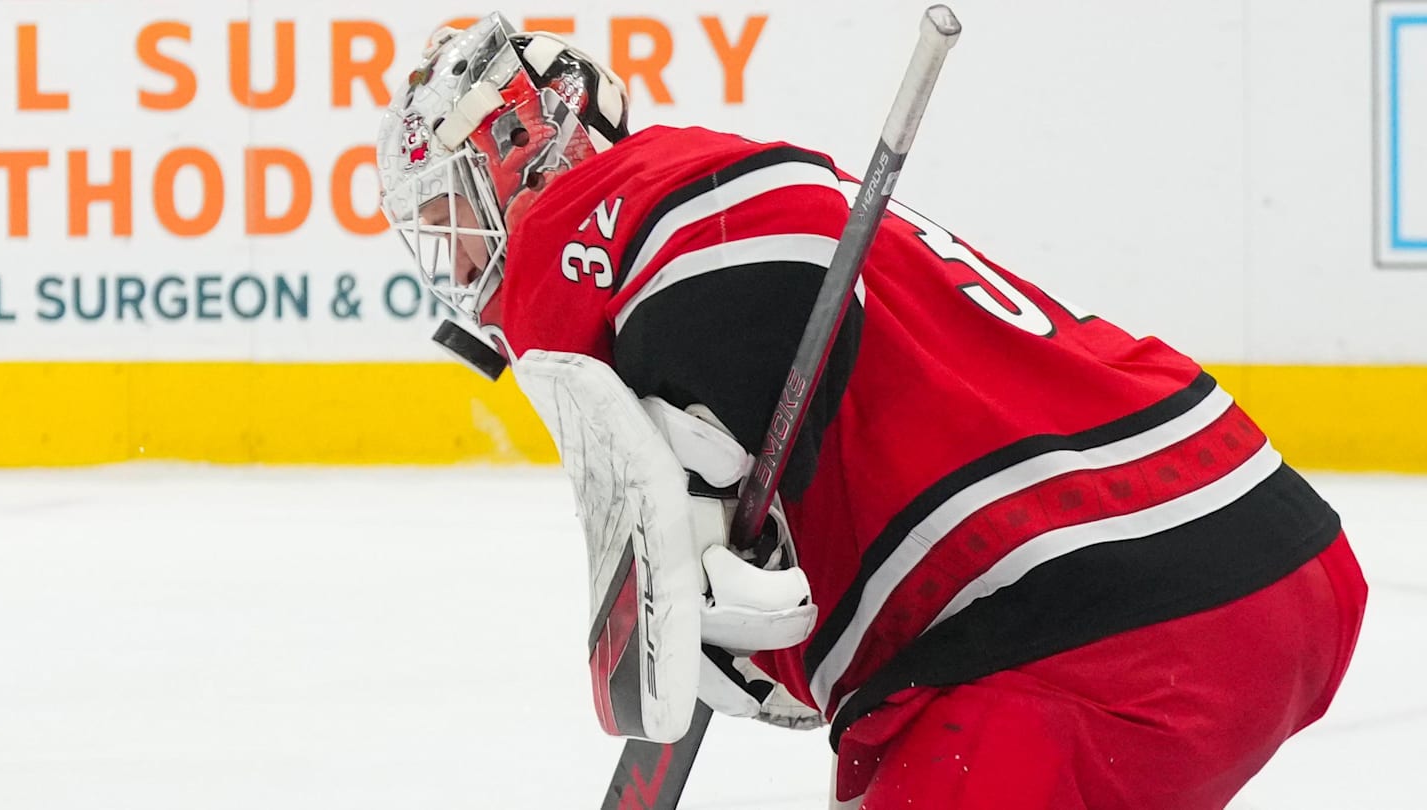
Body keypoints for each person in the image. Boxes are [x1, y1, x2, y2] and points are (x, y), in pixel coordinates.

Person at [375, 15, 1368, 810]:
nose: (456, 265)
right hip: (1223, 553)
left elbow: (768, 236)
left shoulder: (598, 213)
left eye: (448, 215)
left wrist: (700, 491)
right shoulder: (681, 205)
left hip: (1098, 622)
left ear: (523, 153)